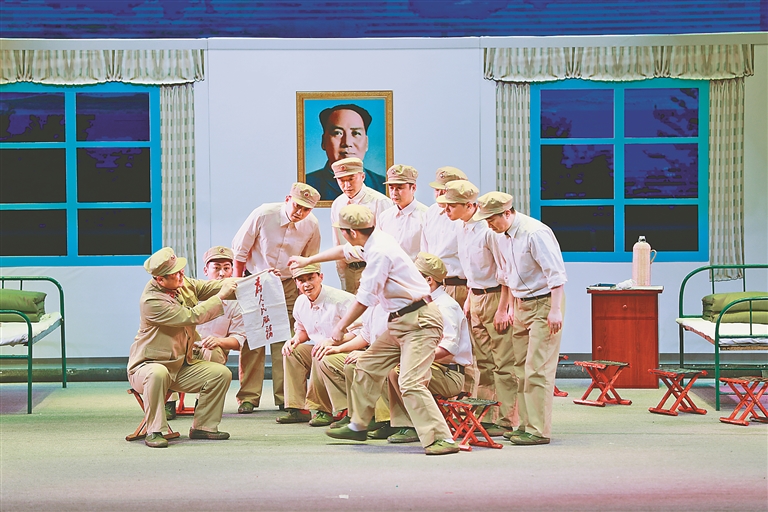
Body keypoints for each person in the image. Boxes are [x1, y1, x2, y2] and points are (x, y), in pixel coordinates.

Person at [288, 204, 459, 456]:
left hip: (419, 321)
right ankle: (358, 425)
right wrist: (309, 260)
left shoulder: (379, 252)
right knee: (366, 366)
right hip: (401, 320)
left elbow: (364, 299)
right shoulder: (373, 239)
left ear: (350, 232)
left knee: (411, 383)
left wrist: (339, 328)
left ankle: (442, 439)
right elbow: (343, 251)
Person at [474, 191, 567, 446]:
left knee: (538, 369)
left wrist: (555, 310)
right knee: (521, 369)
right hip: (521, 303)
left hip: (544, 302)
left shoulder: (535, 233)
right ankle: (525, 424)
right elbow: (505, 274)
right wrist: (506, 307)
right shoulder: (500, 235)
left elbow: (556, 275)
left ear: (507, 213)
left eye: (492, 219)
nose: (489, 225)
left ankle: (538, 430)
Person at [127, 247, 236, 448]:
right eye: (175, 273)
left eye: (180, 270)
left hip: (179, 365)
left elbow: (212, 286)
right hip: (146, 367)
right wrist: (221, 297)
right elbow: (191, 316)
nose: (181, 275)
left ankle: (203, 427)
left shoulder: (182, 283)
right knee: (157, 372)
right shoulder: (152, 301)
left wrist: (256, 281)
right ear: (160, 280)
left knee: (220, 374)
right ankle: (154, 431)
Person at [231, 182, 322, 413]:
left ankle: (285, 397)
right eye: (297, 205)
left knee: (286, 338)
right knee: (253, 338)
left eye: (306, 209)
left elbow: (309, 260)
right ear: (287, 199)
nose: (300, 212)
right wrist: (236, 283)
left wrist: (305, 291)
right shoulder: (264, 214)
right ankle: (248, 397)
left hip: (288, 283)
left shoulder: (311, 224)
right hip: (256, 279)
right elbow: (240, 252)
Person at [437, 179, 519, 437]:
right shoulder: (462, 228)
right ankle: (486, 414)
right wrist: (470, 298)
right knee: (482, 362)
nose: (446, 210)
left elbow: (505, 271)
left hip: (495, 296)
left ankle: (506, 418)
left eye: (451, 205)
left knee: (503, 362)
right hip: (476, 296)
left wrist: (504, 308)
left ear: (469, 205)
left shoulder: (488, 230)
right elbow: (470, 270)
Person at [386, 252, 473, 443]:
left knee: (400, 372)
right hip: (431, 365)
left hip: (449, 373)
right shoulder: (421, 303)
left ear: (429, 280)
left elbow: (448, 348)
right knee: (386, 366)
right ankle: (400, 423)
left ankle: (420, 427)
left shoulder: (445, 306)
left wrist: (414, 357)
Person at [165, 246, 246, 419]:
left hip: (210, 351)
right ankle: (168, 403)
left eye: (227, 268)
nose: (222, 273)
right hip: (184, 348)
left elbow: (239, 341)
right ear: (205, 270)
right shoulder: (191, 293)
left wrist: (219, 341)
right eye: (216, 268)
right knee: (167, 347)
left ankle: (203, 404)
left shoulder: (236, 303)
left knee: (212, 350)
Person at [278, 264, 360, 426]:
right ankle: (298, 408)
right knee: (293, 351)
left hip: (348, 350)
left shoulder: (341, 300)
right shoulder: (301, 301)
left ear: (321, 277)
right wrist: (295, 339)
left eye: (311, 278)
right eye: (301, 280)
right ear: (296, 283)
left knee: (320, 352)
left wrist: (334, 342)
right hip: (322, 349)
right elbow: (302, 330)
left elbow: (359, 333)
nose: (306, 284)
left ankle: (324, 409)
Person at [420, 166, 474, 393]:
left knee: (466, 344)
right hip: (434, 286)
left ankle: (467, 398)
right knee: (435, 337)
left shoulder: (463, 217)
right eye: (437, 190)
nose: (440, 195)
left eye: (445, 190)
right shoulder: (431, 213)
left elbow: (471, 259)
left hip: (460, 285)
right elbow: (425, 252)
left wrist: (470, 294)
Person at [329, 157, 393, 294]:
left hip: (372, 268)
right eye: (341, 180)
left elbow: (388, 242)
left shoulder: (380, 202)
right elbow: (337, 240)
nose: (347, 185)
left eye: (351, 179)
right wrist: (342, 272)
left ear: (362, 176)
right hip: (348, 269)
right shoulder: (338, 203)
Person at [305, 104, 386, 199]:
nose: (347, 143)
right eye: (337, 133)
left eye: (356, 133)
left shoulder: (385, 186)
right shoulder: (306, 184)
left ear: (366, 143)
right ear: (323, 141)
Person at [377, 164, 428, 260]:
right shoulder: (384, 216)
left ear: (413, 188)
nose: (394, 193)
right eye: (391, 188)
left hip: (415, 268)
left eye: (399, 188)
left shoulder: (426, 216)